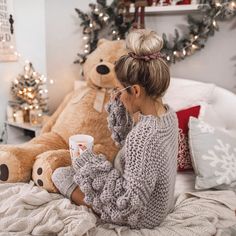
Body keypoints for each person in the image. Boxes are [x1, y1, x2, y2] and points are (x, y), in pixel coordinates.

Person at [52, 29, 178, 229]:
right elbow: (138, 158)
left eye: (119, 89)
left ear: (135, 91)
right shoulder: (168, 116)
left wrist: (88, 161)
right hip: (159, 204)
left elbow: (127, 204)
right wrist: (122, 114)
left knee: (60, 175)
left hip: (141, 216)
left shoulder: (144, 135)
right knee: (78, 172)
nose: (117, 95)